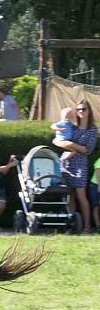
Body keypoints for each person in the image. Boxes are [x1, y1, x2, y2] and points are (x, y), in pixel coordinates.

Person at [54, 99, 97, 233]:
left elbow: (87, 150)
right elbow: (56, 139)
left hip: (80, 165)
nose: (80, 112)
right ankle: (72, 225)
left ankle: (87, 226)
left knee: (81, 195)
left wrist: (70, 146)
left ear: (89, 111)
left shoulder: (92, 130)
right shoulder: (72, 127)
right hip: (66, 164)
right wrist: (62, 143)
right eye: (78, 110)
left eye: (83, 109)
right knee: (70, 194)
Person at [89, 154, 100, 232]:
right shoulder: (99, 161)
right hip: (95, 185)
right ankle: (98, 226)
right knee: (96, 207)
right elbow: (98, 174)